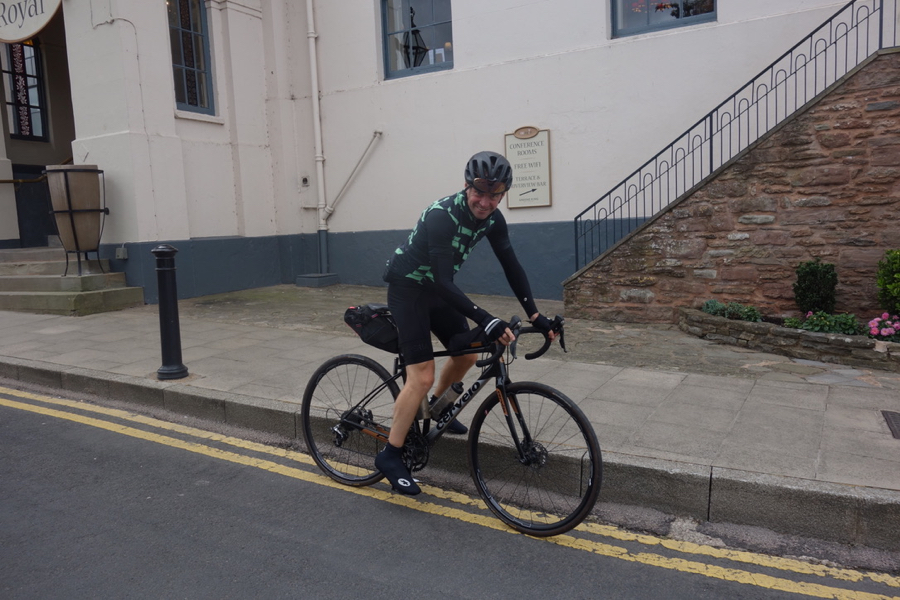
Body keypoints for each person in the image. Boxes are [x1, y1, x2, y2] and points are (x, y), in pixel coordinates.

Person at [376, 150, 557, 495]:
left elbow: (511, 265)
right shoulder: (442, 215)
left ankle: (438, 408)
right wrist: (486, 319)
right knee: (421, 376)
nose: (485, 202)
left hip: (437, 290)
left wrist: (536, 314)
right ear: (466, 186)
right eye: (479, 192)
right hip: (409, 289)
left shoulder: (493, 219)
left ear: (503, 194)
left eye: (495, 194)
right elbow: (444, 280)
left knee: (467, 354)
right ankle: (390, 455)